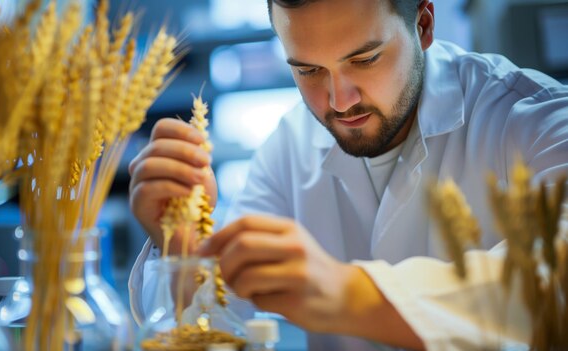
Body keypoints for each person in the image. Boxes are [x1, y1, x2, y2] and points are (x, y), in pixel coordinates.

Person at [127, 0, 568, 350]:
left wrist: (350, 294)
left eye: (365, 59)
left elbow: (557, 283)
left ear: (424, 25)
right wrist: (182, 250)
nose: (338, 101)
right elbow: (221, 325)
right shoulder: (288, 149)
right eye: (308, 70)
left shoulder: (533, 118)